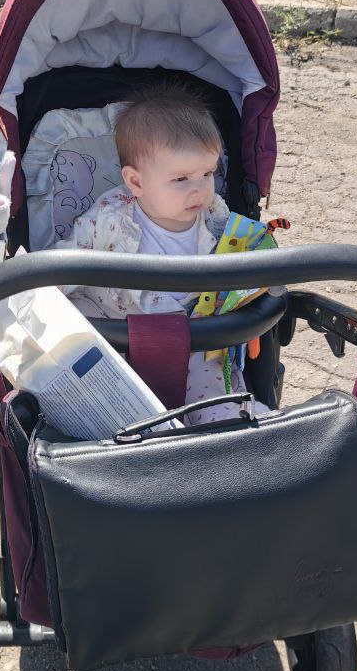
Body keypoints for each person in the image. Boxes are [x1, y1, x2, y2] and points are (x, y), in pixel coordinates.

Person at [56, 82, 269, 425]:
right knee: (73, 312)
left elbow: (244, 257)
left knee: (215, 389)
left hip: (193, 339)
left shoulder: (217, 220)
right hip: (115, 331)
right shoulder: (111, 217)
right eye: (182, 178)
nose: (200, 188)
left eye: (207, 173)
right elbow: (69, 259)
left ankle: (228, 424)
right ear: (136, 183)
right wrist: (38, 293)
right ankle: (106, 422)